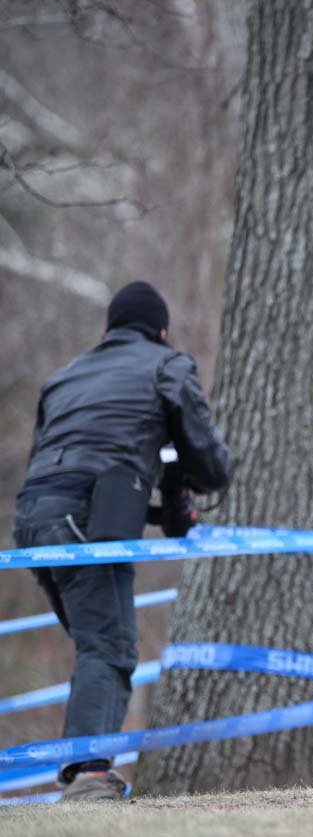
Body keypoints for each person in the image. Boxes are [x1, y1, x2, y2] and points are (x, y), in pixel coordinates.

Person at [14, 280, 232, 801]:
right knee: (109, 648)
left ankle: (85, 768)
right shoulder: (166, 364)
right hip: (89, 523)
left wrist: (158, 501)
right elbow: (209, 462)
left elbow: (67, 458)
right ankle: (89, 777)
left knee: (99, 643)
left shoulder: (63, 378)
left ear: (111, 327)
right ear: (160, 329)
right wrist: (192, 485)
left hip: (31, 522)